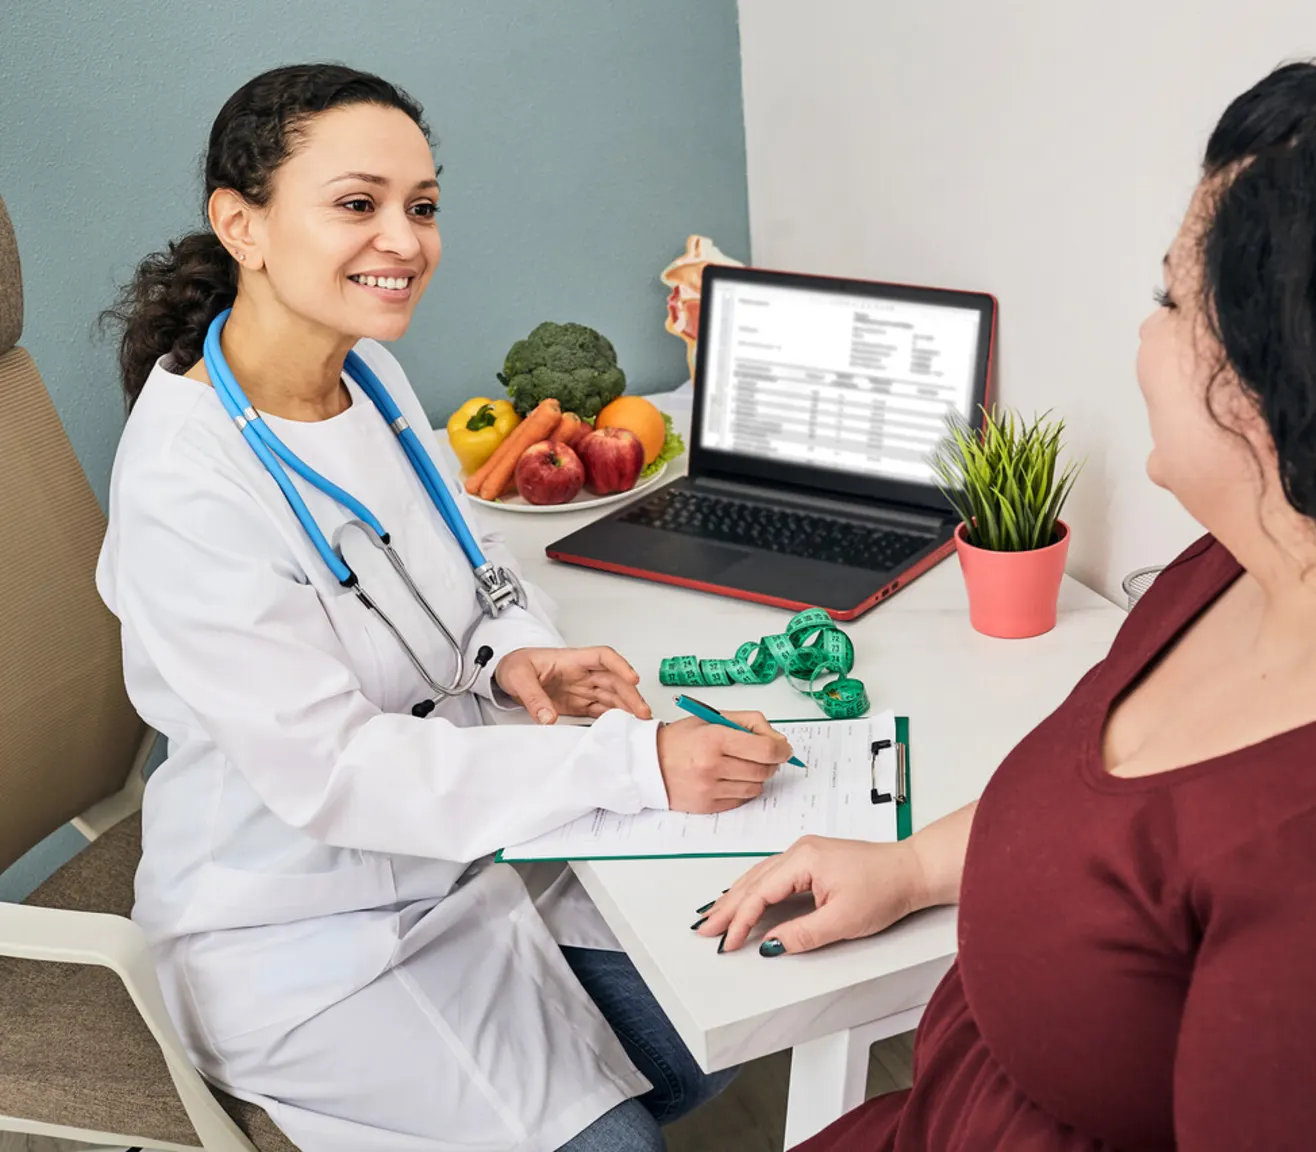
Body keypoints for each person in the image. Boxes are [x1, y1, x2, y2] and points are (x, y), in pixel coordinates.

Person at [696, 60, 1316, 1151]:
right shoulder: (1256, 562)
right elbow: (1119, 821)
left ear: (1294, 384)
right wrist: (909, 867)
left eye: (1171, 303)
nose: (1145, 339)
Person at [96, 63, 795, 1152]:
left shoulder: (370, 374)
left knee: (740, 986)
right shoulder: (185, 482)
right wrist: (634, 763)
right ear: (242, 224)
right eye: (357, 203)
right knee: (620, 1140)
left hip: (467, 858)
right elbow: (335, 771)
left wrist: (513, 653)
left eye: (421, 206)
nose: (405, 240)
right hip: (302, 928)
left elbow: (475, 566)